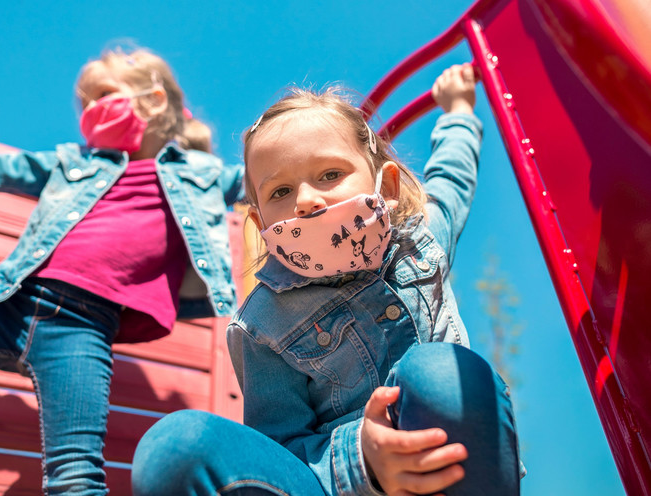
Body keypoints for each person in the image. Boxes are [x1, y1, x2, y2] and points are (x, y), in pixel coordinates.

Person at [0, 47, 243, 495]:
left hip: (84, 328)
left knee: (75, 474)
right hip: (5, 303)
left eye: (103, 95)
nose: (92, 110)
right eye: (86, 103)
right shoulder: (72, 161)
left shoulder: (204, 175)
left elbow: (266, 180)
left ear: (151, 102)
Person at [132, 63, 523, 495]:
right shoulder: (263, 324)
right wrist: (363, 461)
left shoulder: (421, 237)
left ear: (387, 187)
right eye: (281, 192)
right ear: (260, 222)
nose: (306, 200)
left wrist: (459, 111)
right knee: (174, 446)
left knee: (439, 373)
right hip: (333, 484)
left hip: (447, 461)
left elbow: (452, 177)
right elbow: (280, 447)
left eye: (330, 175)